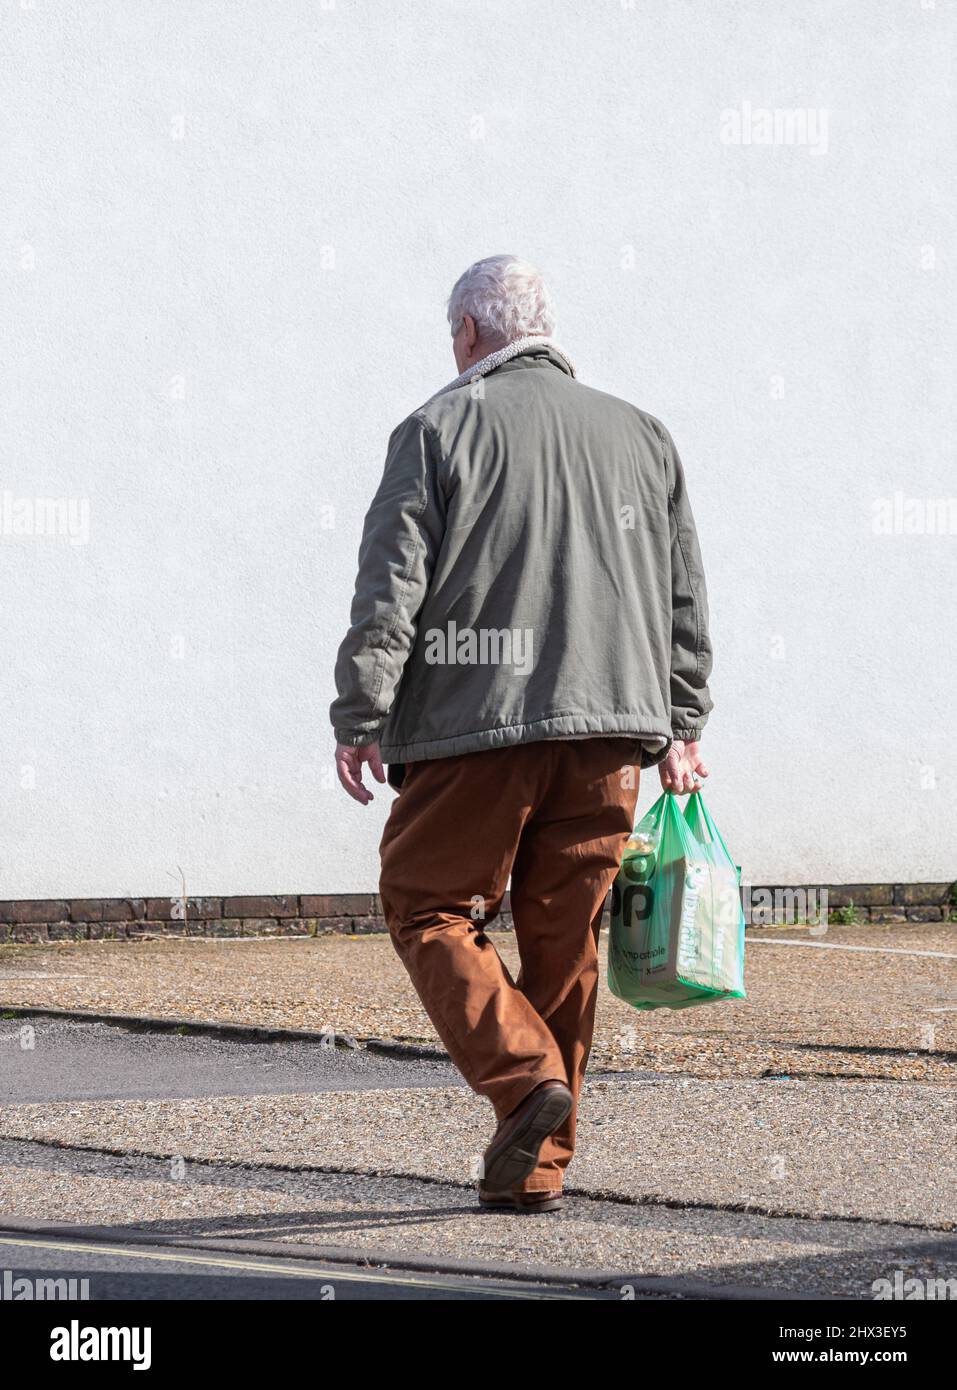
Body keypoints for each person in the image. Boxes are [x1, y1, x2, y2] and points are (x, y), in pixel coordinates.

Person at [330, 254, 712, 1212]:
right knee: (565, 941)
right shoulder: (640, 433)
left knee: (426, 905)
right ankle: (538, 1163)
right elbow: (681, 595)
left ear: (468, 334)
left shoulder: (436, 428)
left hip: (474, 725)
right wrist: (681, 721)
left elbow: (392, 588)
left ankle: (522, 1076)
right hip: (612, 733)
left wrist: (361, 710)